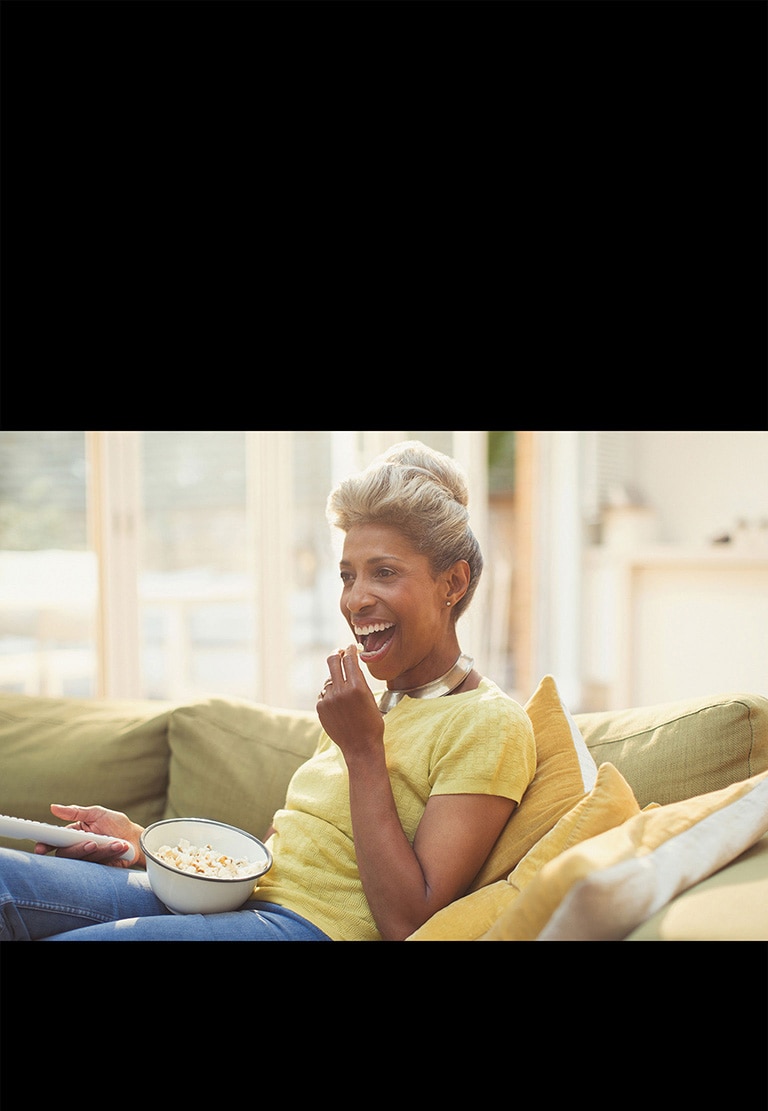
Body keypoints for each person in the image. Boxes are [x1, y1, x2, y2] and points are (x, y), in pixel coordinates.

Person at [0, 441, 536, 941]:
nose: (356, 600)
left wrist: (363, 749)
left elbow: (408, 920)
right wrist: (147, 847)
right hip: (242, 907)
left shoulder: (488, 723)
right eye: (348, 576)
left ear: (454, 583)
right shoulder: (371, 708)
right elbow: (284, 861)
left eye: (385, 573)